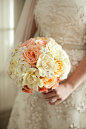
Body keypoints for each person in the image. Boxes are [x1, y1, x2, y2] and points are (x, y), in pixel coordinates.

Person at [7, 0, 86, 129]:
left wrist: (70, 85)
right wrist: (24, 69)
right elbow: (24, 40)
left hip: (78, 80)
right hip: (37, 76)